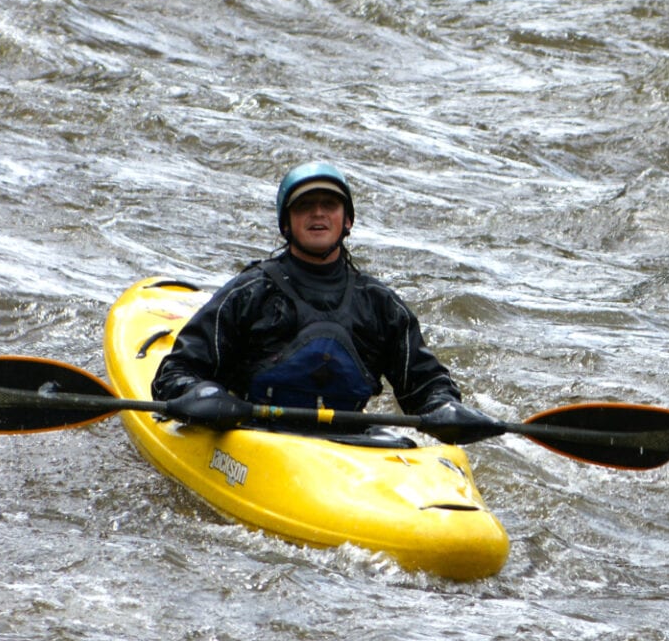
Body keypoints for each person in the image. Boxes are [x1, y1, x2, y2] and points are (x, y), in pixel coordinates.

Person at [152, 161, 500, 445]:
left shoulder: (379, 304)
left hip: (349, 442)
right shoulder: (250, 292)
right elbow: (176, 372)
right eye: (304, 206)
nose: (317, 213)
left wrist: (443, 406)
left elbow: (424, 385)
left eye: (329, 205)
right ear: (286, 223)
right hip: (256, 436)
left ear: (347, 220)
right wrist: (202, 394)